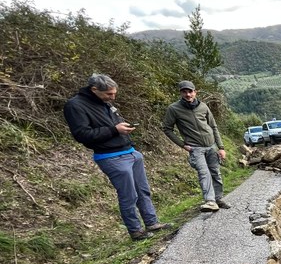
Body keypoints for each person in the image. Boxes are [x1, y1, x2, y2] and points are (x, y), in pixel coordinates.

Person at [64, 73, 172, 240]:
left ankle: (152, 222)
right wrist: (115, 130)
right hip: (110, 157)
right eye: (109, 94)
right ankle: (136, 231)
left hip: (130, 152)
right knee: (128, 195)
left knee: (143, 191)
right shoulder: (75, 105)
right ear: (94, 89)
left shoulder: (104, 102)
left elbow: (111, 123)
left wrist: (122, 129)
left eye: (114, 93)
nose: (113, 97)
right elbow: (82, 135)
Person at [162, 80, 229, 212]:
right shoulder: (174, 109)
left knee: (215, 172)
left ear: (195, 92)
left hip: (211, 146)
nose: (188, 94)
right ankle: (210, 201)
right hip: (195, 148)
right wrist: (182, 145)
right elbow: (167, 129)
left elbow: (213, 126)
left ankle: (218, 199)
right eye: (184, 92)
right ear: (181, 93)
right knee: (204, 173)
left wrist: (221, 147)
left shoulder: (203, 106)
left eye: (190, 91)